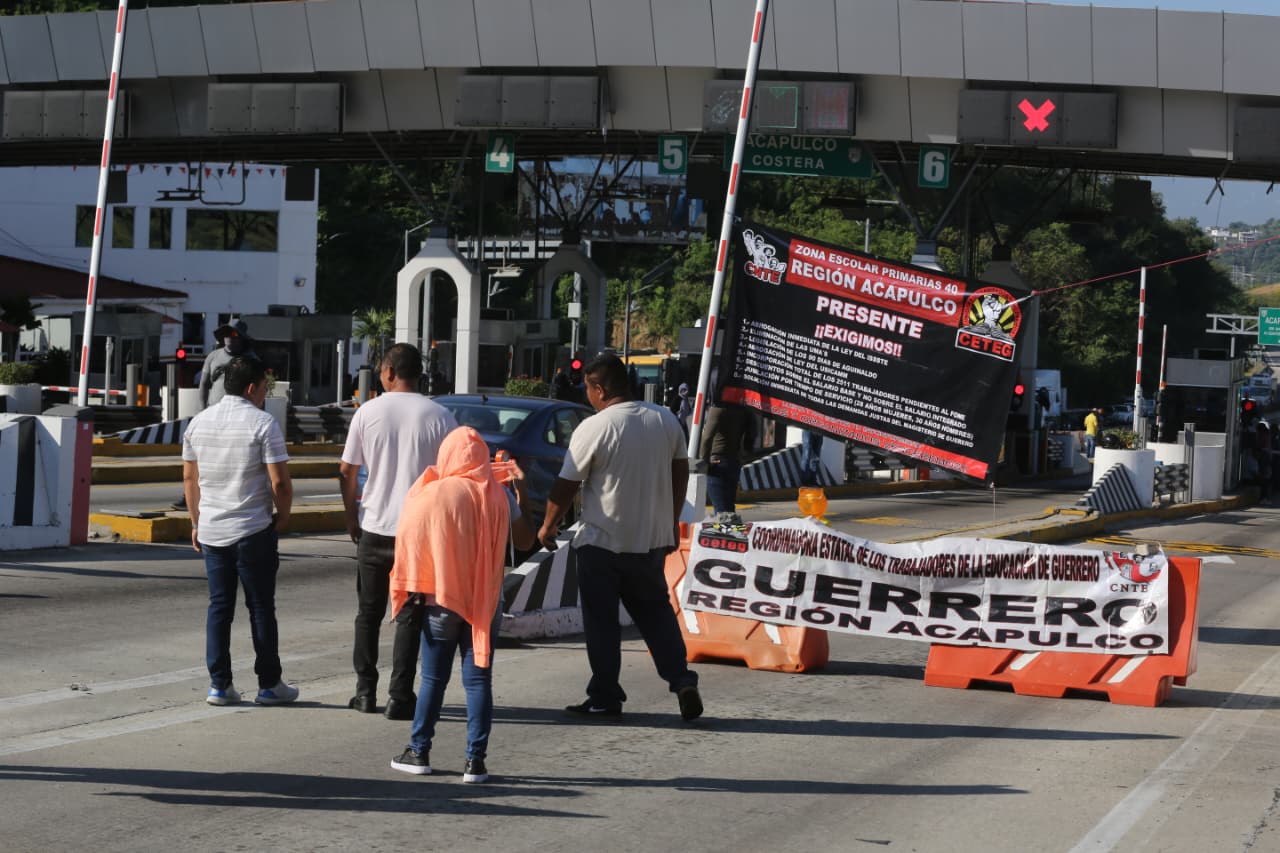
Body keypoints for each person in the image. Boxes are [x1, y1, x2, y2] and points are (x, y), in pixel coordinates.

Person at [537, 354, 702, 722]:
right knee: (656, 614)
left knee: (602, 622)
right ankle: (681, 680)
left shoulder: (595, 427)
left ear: (599, 388)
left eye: (588, 389)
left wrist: (548, 525)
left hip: (602, 542)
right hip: (650, 542)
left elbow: (567, 484)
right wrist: (670, 522)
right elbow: (680, 473)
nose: (587, 395)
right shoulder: (665, 419)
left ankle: (605, 696)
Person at [387, 428, 536, 783]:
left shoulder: (431, 492)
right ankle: (475, 762)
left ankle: (419, 751)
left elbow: (409, 540)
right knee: (478, 680)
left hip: (442, 599)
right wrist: (521, 489)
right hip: (486, 601)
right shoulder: (499, 494)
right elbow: (526, 540)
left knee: (433, 679)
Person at [339, 343, 458, 720]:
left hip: (374, 526)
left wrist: (351, 517)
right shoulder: (442, 416)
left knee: (368, 613)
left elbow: (346, 471)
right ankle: (400, 696)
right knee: (409, 615)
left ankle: (364, 692)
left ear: (389, 372)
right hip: (418, 533)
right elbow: (454, 477)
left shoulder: (367, 412)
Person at [181, 356, 297, 707]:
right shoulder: (263, 423)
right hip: (252, 529)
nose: (264, 395)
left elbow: (189, 477)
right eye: (263, 388)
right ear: (250, 388)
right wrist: (284, 516)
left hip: (212, 531)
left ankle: (219, 685)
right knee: (260, 607)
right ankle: (269, 684)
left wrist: (196, 522)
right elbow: (280, 482)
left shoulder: (199, 423)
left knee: (219, 608)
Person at [700, 402, 754, 515]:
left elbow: (707, 438)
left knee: (721, 512)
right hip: (733, 462)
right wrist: (742, 457)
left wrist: (705, 463)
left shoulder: (718, 408)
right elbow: (752, 435)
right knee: (729, 510)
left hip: (717, 462)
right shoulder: (744, 409)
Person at [200, 319, 256, 409]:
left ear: (241, 338)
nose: (229, 336)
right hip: (214, 410)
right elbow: (204, 384)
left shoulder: (251, 360)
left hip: (240, 411)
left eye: (234, 334)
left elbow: (258, 388)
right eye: (226, 333)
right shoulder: (212, 356)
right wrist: (202, 409)